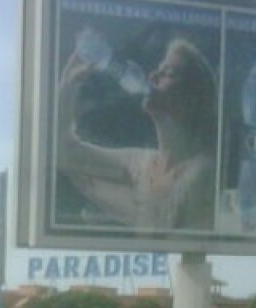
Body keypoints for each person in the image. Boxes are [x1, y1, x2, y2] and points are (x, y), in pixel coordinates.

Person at [56, 36, 217, 230]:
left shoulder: (203, 173)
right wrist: (69, 85)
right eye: (158, 68)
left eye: (168, 73)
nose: (153, 76)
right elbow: (63, 152)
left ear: (190, 101)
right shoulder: (142, 165)